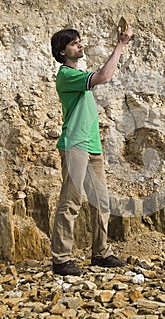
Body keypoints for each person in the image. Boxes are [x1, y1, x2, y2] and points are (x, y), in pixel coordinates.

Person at [50, 22, 131, 276]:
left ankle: (101, 253)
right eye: (74, 43)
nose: (80, 45)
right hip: (75, 144)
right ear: (63, 51)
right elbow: (104, 77)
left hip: (91, 144)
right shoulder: (66, 75)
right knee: (71, 201)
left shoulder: (78, 73)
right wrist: (120, 44)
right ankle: (61, 259)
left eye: (79, 41)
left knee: (101, 201)